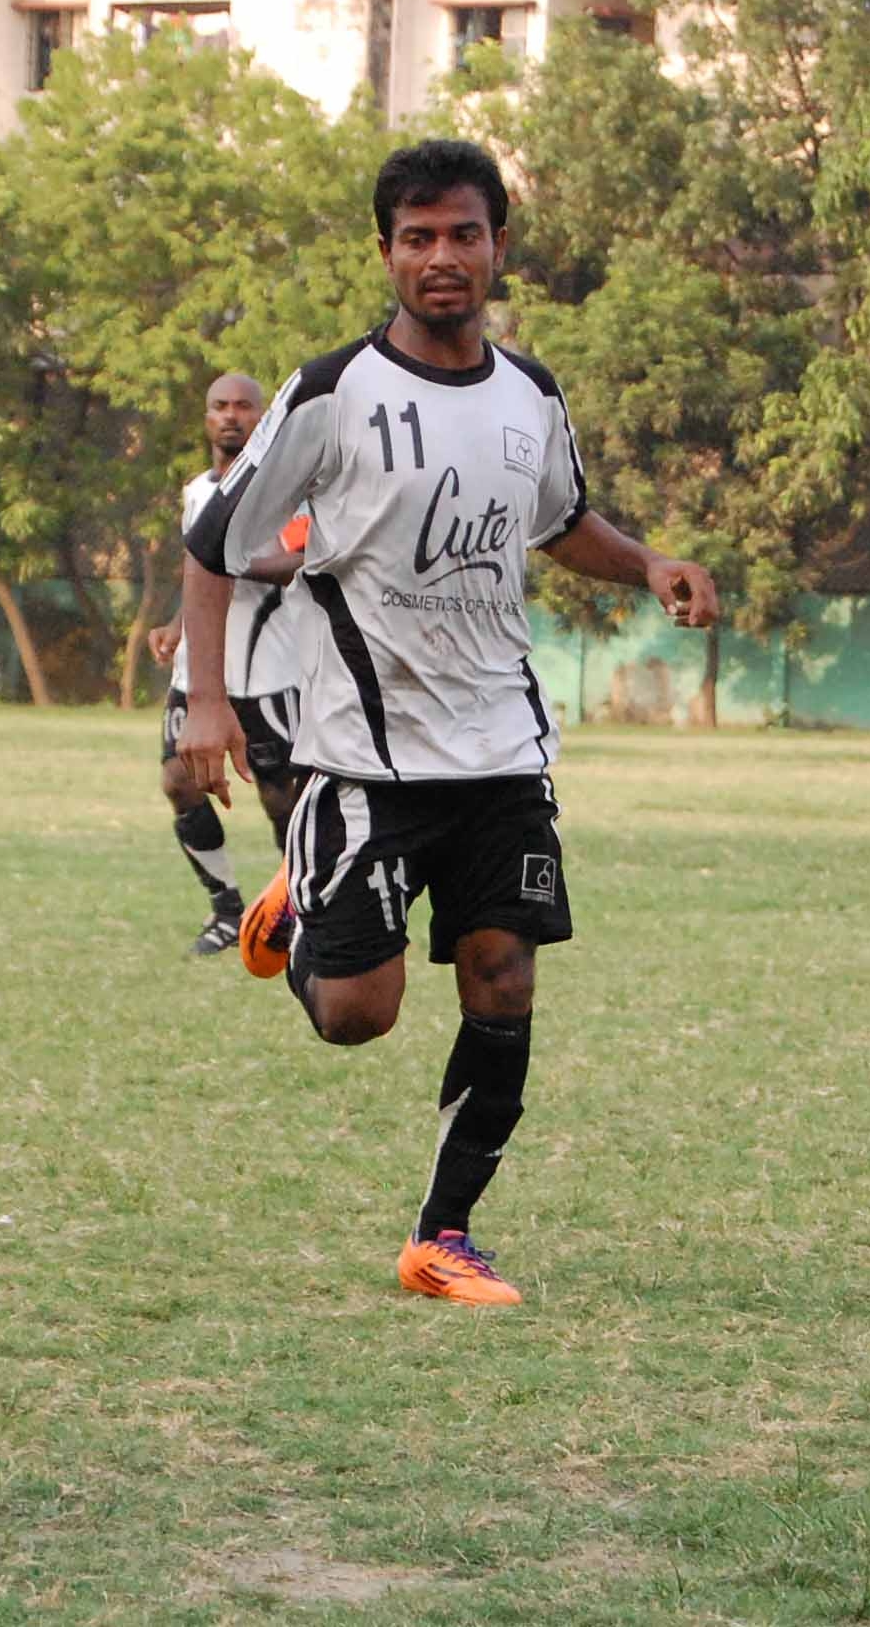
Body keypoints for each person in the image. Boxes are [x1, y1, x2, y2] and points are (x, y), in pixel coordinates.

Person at [177, 139, 717, 1307]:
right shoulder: (330, 394)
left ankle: (442, 1237)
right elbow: (213, 542)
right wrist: (210, 703)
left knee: (504, 980)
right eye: (416, 237)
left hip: (503, 753)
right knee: (358, 1018)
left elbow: (561, 521)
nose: (440, 257)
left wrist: (648, 563)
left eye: (461, 233)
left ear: (497, 245)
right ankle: (295, 912)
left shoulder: (530, 394)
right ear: (385, 252)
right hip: (367, 765)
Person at [146, 373, 307, 954]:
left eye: (244, 406)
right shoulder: (196, 492)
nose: (231, 416)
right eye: (219, 406)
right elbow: (197, 570)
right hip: (196, 677)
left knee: (283, 799)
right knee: (177, 782)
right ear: (206, 418)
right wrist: (175, 622)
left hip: (267, 674)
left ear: (264, 417)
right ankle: (225, 910)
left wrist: (230, 559)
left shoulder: (288, 489)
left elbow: (296, 561)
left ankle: (297, 916)